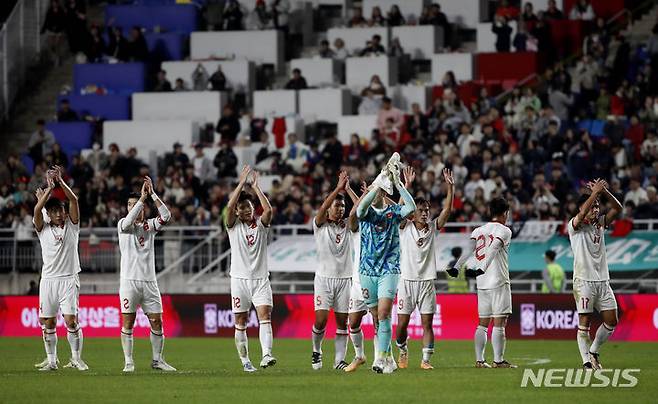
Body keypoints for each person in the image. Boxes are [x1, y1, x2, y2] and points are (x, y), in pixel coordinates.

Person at [357, 153, 416, 373]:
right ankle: (389, 357)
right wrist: (378, 183)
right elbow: (361, 209)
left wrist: (398, 183)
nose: (378, 193)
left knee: (383, 314)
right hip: (366, 271)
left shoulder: (393, 213)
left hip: (389, 270)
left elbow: (410, 208)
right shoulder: (367, 214)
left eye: (381, 190)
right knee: (375, 317)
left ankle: (380, 358)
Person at [448, 197, 516, 368]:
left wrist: (457, 266)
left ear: (489, 212)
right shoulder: (505, 230)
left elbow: (469, 250)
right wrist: (482, 268)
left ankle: (480, 360)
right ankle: (498, 361)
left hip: (482, 284)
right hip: (498, 280)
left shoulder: (478, 231)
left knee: (483, 323)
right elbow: (493, 248)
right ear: (505, 213)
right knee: (499, 322)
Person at [396, 168, 454, 370]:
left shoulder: (432, 229)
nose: (424, 213)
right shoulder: (404, 227)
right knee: (402, 325)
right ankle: (403, 349)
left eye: (427, 210)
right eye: (420, 210)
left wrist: (450, 187)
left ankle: (426, 360)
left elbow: (446, 211)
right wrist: (407, 186)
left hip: (427, 282)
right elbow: (398, 210)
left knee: (427, 324)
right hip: (406, 281)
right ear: (413, 213)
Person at [117, 176, 176, 372]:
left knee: (157, 321)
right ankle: (128, 361)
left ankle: (157, 360)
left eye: (137, 205)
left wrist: (152, 194)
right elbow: (127, 224)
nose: (133, 208)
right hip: (129, 282)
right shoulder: (122, 225)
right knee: (128, 322)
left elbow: (166, 217)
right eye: (130, 205)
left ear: (144, 209)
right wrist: (141, 199)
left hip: (150, 282)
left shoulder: (149, 227)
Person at [33, 166, 87, 371]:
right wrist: (48, 189)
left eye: (60, 210)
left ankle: (76, 359)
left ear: (64, 212)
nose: (58, 213)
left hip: (68, 279)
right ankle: (52, 361)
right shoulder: (43, 228)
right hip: (48, 280)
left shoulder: (73, 227)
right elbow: (38, 210)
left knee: (71, 321)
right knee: (48, 323)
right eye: (53, 210)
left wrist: (60, 183)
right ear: (50, 213)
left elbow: (73, 200)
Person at [225, 165, 276, 372]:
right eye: (242, 208)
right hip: (239, 280)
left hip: (261, 279)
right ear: (237, 211)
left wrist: (255, 187)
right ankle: (246, 361)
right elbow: (228, 208)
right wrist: (240, 184)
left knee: (265, 315)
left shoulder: (261, 226)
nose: (246, 210)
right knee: (241, 320)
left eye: (249, 207)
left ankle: (266, 355)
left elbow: (269, 210)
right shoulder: (233, 226)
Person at [568, 179, 622, 369]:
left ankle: (594, 351)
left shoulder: (600, 224)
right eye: (593, 206)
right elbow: (582, 213)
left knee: (612, 320)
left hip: (602, 281)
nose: (596, 209)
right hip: (583, 281)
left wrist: (604, 192)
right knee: (585, 322)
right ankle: (586, 363)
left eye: (598, 206)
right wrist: (594, 194)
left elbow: (618, 208)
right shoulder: (574, 225)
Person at [311, 171, 356, 370]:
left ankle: (339, 361)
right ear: (329, 209)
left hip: (345, 279)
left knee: (341, 322)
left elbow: (360, 210)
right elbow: (321, 209)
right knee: (320, 321)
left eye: (343, 206)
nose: (340, 209)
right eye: (337, 206)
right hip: (323, 279)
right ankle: (317, 351)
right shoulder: (320, 225)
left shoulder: (348, 226)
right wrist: (338, 189)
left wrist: (349, 191)